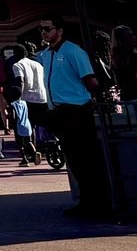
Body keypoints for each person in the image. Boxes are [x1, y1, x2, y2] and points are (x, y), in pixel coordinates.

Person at [36, 17, 113, 219]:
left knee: (86, 158)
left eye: (47, 28)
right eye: (41, 29)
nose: (43, 32)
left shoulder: (73, 51)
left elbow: (90, 80)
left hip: (77, 109)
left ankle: (100, 203)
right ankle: (87, 202)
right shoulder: (47, 54)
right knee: (74, 160)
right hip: (60, 111)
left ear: (59, 30)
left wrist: (96, 101)